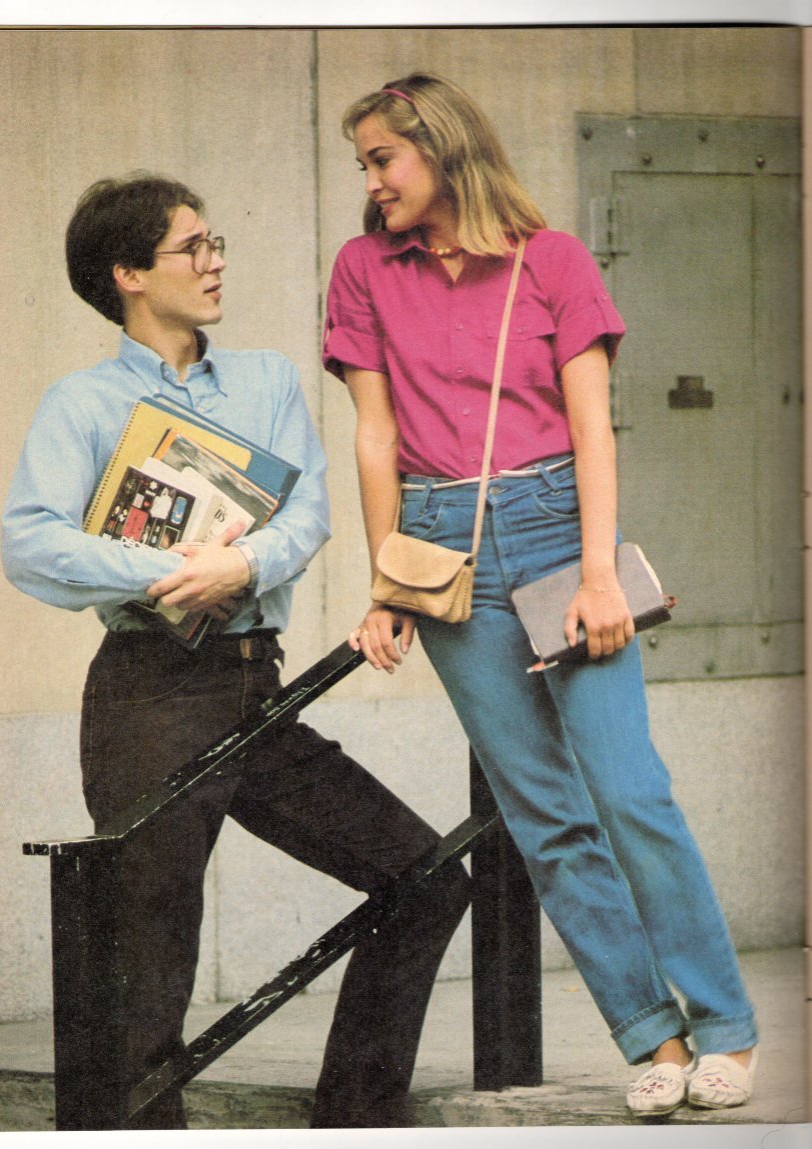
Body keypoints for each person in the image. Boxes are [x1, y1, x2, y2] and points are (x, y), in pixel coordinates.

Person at [323, 72, 759, 1118]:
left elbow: (592, 427)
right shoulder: (362, 269)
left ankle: (724, 1025)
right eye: (363, 164)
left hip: (559, 529)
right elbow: (376, 435)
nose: (371, 181)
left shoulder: (552, 260)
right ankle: (650, 1035)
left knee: (627, 788)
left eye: (383, 158)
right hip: (443, 547)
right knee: (542, 814)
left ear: (441, 149)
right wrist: (387, 582)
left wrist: (600, 570)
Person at [1, 173, 469, 1130]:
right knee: (148, 965)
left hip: (257, 684)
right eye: (193, 247)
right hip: (148, 692)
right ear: (129, 273)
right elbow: (30, 543)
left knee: (424, 876)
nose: (215, 263)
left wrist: (243, 564)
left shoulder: (264, 380)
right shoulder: (82, 403)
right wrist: (169, 568)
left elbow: (306, 513)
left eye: (217, 243)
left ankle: (354, 1118)